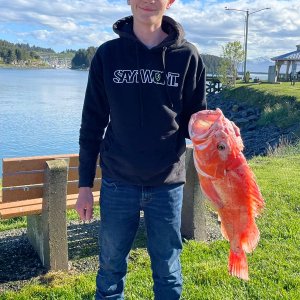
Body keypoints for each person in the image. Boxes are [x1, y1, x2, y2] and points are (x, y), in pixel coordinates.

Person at [75, 0, 206, 299]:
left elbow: (195, 125)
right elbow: (92, 124)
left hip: (168, 184)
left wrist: (215, 129)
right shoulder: (108, 55)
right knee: (109, 270)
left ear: (171, 1)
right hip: (117, 182)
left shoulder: (188, 56)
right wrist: (84, 185)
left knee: (168, 270)